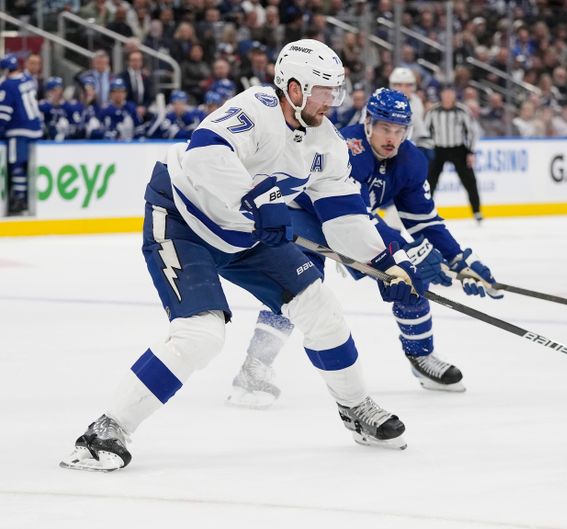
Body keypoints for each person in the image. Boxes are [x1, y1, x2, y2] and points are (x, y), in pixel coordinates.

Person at [60, 39, 424, 472]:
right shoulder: (254, 109)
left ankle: (355, 407)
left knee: (320, 308)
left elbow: (344, 214)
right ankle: (105, 430)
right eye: (324, 90)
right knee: (201, 335)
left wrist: (385, 264)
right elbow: (204, 153)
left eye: (336, 89)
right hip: (184, 220)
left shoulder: (328, 143)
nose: (334, 100)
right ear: (294, 88)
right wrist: (262, 196)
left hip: (247, 235)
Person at [227, 88, 502, 409]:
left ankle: (421, 356)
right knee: (299, 285)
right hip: (306, 214)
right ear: (368, 123)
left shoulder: (410, 160)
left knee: (410, 279)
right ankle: (254, 366)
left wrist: (457, 260)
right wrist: (405, 252)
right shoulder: (346, 149)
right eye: (385, 128)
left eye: (400, 131)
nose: (392, 138)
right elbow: (356, 214)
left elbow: (425, 221)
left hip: (353, 223)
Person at [424, 86, 483, 223]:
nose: (448, 96)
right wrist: (427, 149)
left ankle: (477, 211)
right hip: (438, 149)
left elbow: (472, 132)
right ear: (441, 94)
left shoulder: (462, 111)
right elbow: (426, 131)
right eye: (446, 93)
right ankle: (426, 211)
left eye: (451, 93)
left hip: (458, 150)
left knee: (470, 181)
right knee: (430, 182)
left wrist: (470, 151)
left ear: (455, 94)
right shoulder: (433, 112)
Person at [0, 54, 43, 215]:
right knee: (28, 167)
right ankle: (24, 198)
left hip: (18, 131)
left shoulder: (7, 85)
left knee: (17, 166)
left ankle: (19, 200)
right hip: (35, 130)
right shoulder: (27, 81)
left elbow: (3, 114)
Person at [388, 67, 433, 155]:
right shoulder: (380, 100)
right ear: (392, 86)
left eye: (407, 85)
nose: (403, 89)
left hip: (409, 144)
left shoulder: (416, 102)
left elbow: (420, 129)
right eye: (399, 85)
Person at [38, 77, 85, 141]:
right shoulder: (43, 105)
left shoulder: (67, 106)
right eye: (54, 90)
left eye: (59, 90)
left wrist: (67, 128)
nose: (58, 93)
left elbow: (75, 124)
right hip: (47, 140)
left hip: (65, 140)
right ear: (48, 92)